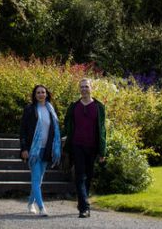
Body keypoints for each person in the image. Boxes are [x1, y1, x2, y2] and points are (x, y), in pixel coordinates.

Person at [64, 78, 107, 218]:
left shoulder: (99, 107)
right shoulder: (74, 107)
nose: (84, 89)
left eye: (86, 86)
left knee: (88, 176)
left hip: (93, 146)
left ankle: (82, 201)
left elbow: (102, 130)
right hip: (77, 145)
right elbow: (67, 125)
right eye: (81, 87)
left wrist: (102, 150)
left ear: (91, 88)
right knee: (80, 176)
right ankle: (84, 208)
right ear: (79, 89)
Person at [19, 84, 61, 217]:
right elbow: (23, 131)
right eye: (38, 92)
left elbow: (54, 130)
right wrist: (24, 148)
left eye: (43, 92)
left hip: (46, 149)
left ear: (47, 94)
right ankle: (42, 207)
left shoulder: (51, 110)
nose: (41, 94)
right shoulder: (30, 109)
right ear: (35, 95)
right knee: (36, 178)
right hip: (33, 150)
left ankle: (30, 203)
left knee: (39, 179)